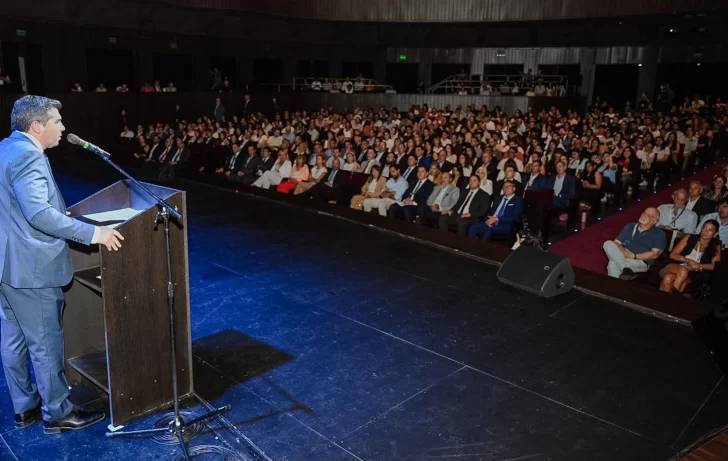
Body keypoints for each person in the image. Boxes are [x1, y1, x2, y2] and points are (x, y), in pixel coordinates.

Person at [0, 95, 123, 433]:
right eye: (56, 121)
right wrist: (94, 233)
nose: (63, 127)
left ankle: (25, 408)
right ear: (36, 126)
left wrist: (57, 213)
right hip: (32, 268)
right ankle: (57, 414)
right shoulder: (28, 156)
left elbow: (16, 203)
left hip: (7, 265)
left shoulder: (6, 148)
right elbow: (39, 214)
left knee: (13, 340)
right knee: (44, 344)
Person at [659, 220, 721, 294]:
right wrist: (689, 261)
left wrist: (698, 265)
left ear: (715, 234)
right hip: (676, 265)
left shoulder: (715, 246)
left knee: (668, 278)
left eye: (710, 230)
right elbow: (673, 255)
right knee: (683, 270)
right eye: (704, 228)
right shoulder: (690, 237)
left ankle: (665, 300)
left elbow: (714, 266)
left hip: (694, 273)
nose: (705, 231)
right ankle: (673, 299)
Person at [603, 207, 666, 280]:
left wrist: (633, 256)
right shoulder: (630, 226)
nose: (644, 215)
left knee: (612, 264)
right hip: (622, 256)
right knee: (607, 243)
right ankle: (625, 269)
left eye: (648, 215)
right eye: (644, 213)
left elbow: (655, 254)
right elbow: (616, 243)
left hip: (640, 261)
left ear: (654, 221)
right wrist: (622, 249)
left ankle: (623, 272)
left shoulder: (659, 233)